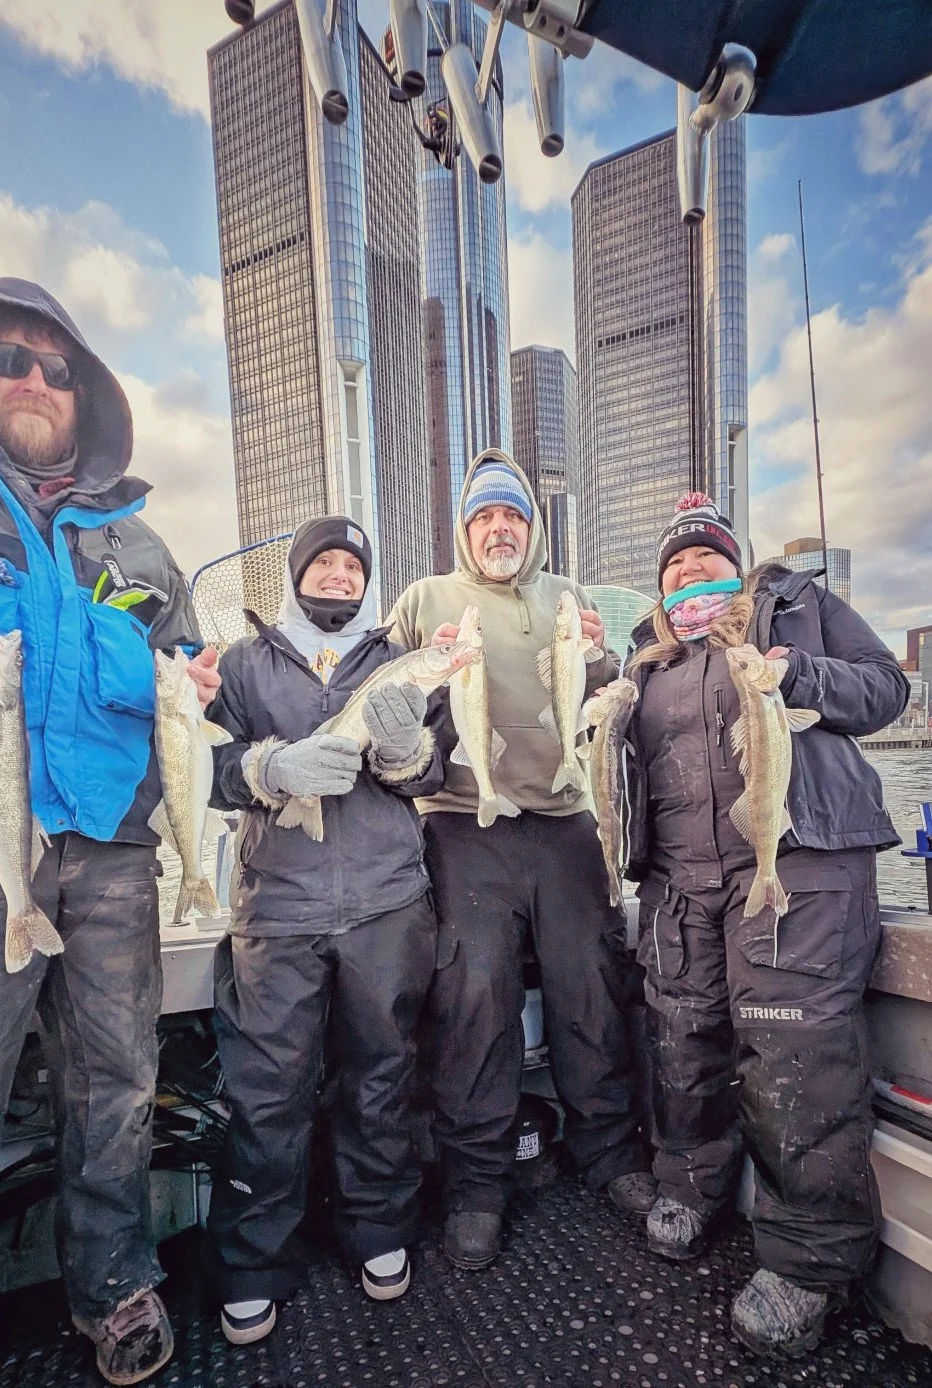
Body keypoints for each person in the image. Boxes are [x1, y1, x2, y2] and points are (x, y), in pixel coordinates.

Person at [0, 279, 219, 1388]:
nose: (35, 380)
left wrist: (196, 678)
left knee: (120, 1079)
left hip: (115, 848)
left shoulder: (142, 542)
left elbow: (186, 654)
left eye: (57, 367)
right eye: (11, 358)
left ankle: (115, 1279)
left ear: (88, 396)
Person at [621, 492, 909, 1358]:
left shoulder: (798, 607)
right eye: (672, 566)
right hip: (681, 884)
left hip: (797, 864)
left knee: (798, 1054)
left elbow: (888, 689)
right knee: (683, 1038)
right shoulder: (645, 662)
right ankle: (691, 1183)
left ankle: (811, 1262)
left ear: (735, 563)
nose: (687, 573)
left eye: (704, 557)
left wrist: (800, 674)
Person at [387, 451, 653, 1273]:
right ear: (465, 529)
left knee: (593, 980)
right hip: (464, 822)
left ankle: (608, 1150)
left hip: (563, 816)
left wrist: (604, 661)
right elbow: (378, 694)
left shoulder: (568, 595)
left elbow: (602, 700)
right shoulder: (424, 598)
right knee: (474, 992)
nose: (499, 528)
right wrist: (421, 669)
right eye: (484, 517)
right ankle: (476, 1183)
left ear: (531, 528)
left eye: (513, 517)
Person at [204, 516, 445, 1346]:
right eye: (326, 563)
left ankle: (380, 1231)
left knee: (382, 1075)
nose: (341, 576)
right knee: (267, 1093)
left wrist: (409, 746)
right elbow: (201, 767)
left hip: (386, 904)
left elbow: (435, 770)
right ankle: (251, 1263)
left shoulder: (397, 660)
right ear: (299, 573)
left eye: (353, 566)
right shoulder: (239, 663)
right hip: (277, 909)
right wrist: (268, 767)